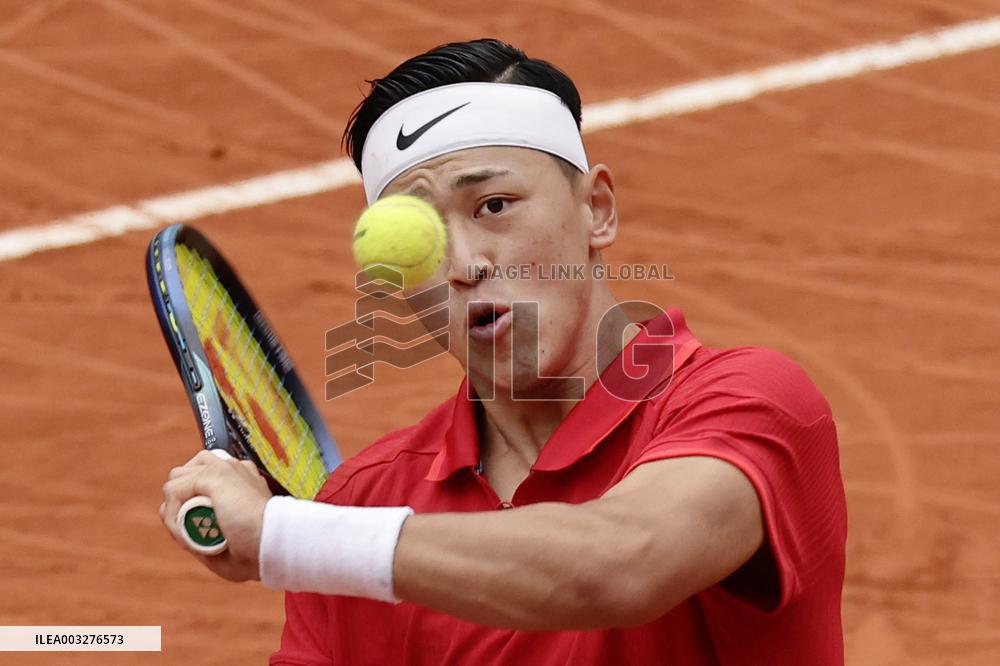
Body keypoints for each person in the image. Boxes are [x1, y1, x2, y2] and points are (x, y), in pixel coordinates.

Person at [161, 38, 847, 665]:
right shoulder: (359, 507)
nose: (462, 263)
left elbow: (622, 563)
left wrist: (291, 538)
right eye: (416, 234)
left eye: (494, 205)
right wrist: (313, 536)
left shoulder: (748, 401)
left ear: (597, 209)